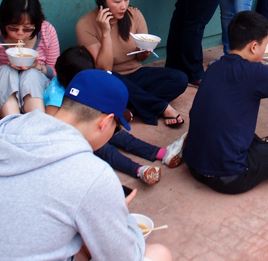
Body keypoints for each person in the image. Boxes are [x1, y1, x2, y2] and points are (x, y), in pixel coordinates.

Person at [0, 69, 173, 261]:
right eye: (116, 128)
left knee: (79, 244)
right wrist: (122, 216)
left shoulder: (4, 134)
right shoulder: (93, 175)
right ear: (105, 121)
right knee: (159, 255)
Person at [183, 11, 268, 194]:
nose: (264, 51)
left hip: (193, 164)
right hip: (229, 177)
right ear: (254, 47)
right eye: (265, 44)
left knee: (235, 128)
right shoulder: (256, 72)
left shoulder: (214, 66)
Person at [44, 46, 187, 185]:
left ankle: (163, 153)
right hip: (78, 137)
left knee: (121, 135)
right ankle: (139, 170)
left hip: (94, 124)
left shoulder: (80, 84)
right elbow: (55, 125)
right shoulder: (55, 94)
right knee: (106, 150)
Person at [77, 0, 188, 127]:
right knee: (109, 78)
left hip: (136, 74)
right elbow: (103, 69)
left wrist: (145, 51)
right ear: (101, 1)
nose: (124, 6)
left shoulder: (134, 14)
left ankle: (133, 108)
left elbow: (141, 59)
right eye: (117, 1)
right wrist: (105, 32)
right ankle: (162, 107)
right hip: (110, 80)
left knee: (180, 78)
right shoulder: (85, 25)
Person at [0, 0, 59, 117]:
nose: (20, 33)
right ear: (2, 22)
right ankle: (12, 122)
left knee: (30, 74)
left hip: (38, 94)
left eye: (28, 29)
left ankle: (37, 121)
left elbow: (55, 73)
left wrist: (36, 67)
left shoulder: (47, 30)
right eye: (13, 28)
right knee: (5, 70)